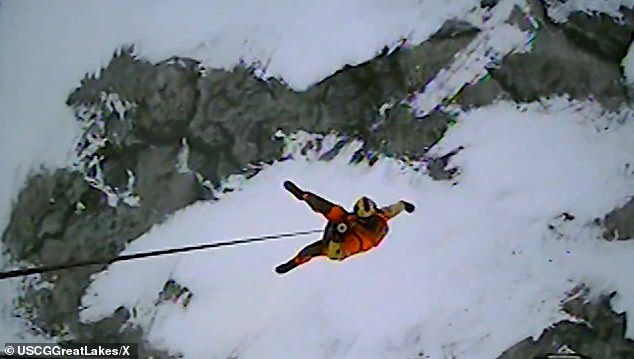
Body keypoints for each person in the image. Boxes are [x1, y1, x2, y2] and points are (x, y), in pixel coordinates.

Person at [275, 180, 415, 274]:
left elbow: (335, 255)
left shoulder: (358, 241)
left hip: (340, 244)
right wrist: (404, 205)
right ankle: (305, 196)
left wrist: (336, 237)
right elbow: (393, 209)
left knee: (312, 250)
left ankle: (294, 262)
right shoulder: (379, 215)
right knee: (335, 211)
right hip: (349, 229)